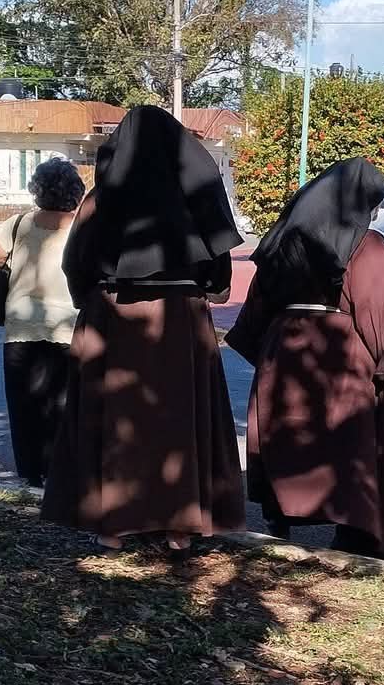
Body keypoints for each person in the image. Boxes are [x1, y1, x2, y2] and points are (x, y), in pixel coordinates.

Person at [44, 105, 246, 549]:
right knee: (179, 417)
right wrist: (203, 290)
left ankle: (114, 525)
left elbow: (75, 261)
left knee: (118, 414)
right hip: (179, 320)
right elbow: (219, 268)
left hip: (112, 317)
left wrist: (91, 303)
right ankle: (179, 526)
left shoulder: (103, 197)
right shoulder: (195, 195)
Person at [226, 158, 384, 556]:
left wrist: (267, 351)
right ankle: (355, 532)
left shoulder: (281, 239)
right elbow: (378, 306)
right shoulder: (366, 245)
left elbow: (256, 306)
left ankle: (282, 519)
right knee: (351, 440)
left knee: (287, 435)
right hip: (341, 352)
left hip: (283, 348)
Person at [0, 157, 84, 485]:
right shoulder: (84, 228)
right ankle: (61, 473)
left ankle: (30, 475)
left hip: (21, 328)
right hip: (70, 328)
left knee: (24, 406)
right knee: (64, 407)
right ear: (76, 191)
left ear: (37, 190)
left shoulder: (19, 224)